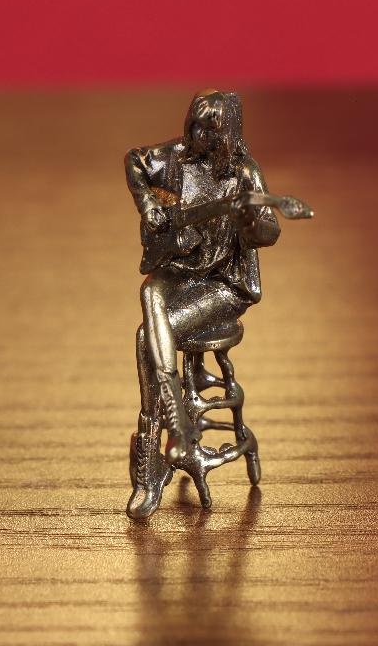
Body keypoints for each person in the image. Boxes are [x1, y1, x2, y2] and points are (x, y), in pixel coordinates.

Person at [124, 89, 281, 519]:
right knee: (150, 292)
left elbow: (269, 231)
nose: (200, 138)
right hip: (182, 272)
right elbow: (134, 161)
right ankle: (174, 426)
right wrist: (149, 204)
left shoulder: (244, 175)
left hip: (223, 286)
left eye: (211, 132)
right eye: (195, 128)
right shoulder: (176, 159)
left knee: (145, 337)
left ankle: (153, 456)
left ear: (228, 133)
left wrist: (253, 225)